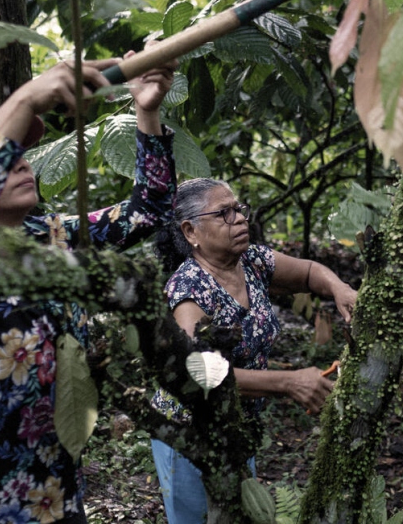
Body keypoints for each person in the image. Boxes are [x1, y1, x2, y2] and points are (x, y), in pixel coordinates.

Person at [0, 44, 179, 524]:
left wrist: (146, 110)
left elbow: (149, 209)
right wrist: (27, 99)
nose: (21, 162)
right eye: (3, 156)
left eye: (20, 153)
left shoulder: (52, 236)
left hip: (53, 490)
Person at [151, 178, 358, 523]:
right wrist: (287, 382)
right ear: (191, 231)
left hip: (238, 424)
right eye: (224, 213)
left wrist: (339, 288)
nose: (240, 219)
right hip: (189, 432)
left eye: (239, 210)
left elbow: (308, 273)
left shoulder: (252, 262)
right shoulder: (189, 288)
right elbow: (196, 372)